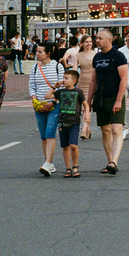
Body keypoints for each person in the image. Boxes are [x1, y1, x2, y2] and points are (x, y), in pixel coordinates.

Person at [88, 29, 129, 175]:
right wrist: (88, 100)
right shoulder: (97, 57)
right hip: (101, 98)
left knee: (116, 130)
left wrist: (119, 100)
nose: (97, 40)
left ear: (109, 40)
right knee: (105, 131)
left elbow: (124, 79)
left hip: (115, 97)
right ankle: (110, 161)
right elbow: (93, 80)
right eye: (96, 38)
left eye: (100, 38)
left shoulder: (119, 56)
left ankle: (114, 161)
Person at [29, 42, 65, 176]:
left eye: (40, 52)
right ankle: (48, 162)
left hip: (54, 104)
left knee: (50, 132)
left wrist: (54, 101)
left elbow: (62, 86)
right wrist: (34, 100)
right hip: (39, 104)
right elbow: (31, 86)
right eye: (37, 52)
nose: (37, 54)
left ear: (48, 53)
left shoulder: (57, 67)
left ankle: (48, 162)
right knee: (43, 135)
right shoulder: (34, 68)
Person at [46, 69, 89, 178]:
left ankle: (75, 166)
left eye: (66, 78)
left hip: (74, 122)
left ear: (74, 81)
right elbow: (47, 97)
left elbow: (85, 104)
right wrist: (54, 87)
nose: (63, 80)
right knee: (65, 146)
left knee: (73, 145)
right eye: (63, 78)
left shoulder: (78, 92)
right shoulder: (60, 92)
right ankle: (68, 168)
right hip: (62, 122)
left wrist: (87, 115)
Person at [75, 34, 96, 140]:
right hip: (81, 82)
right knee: (84, 106)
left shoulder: (95, 54)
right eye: (87, 42)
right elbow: (74, 71)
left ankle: (84, 129)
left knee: (88, 105)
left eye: (90, 42)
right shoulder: (78, 56)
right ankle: (87, 129)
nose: (89, 44)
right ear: (82, 43)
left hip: (92, 82)